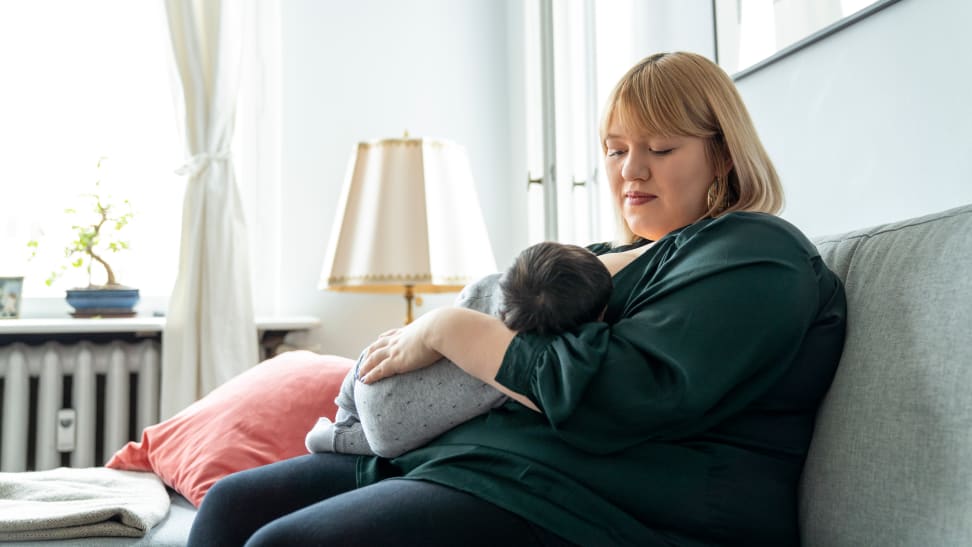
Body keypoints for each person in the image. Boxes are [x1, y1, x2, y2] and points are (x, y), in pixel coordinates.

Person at [188, 51, 846, 546]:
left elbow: (631, 393)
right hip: (491, 463)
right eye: (616, 150)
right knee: (232, 505)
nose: (630, 171)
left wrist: (451, 330)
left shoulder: (757, 252)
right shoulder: (600, 253)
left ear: (724, 154)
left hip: (611, 502)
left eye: (661, 148)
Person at [304, 240, 617, 458]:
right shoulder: (510, 363)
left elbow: (464, 300)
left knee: (373, 360)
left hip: (371, 368)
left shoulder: (484, 289)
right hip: (388, 431)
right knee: (378, 441)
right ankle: (334, 439)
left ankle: (343, 410)